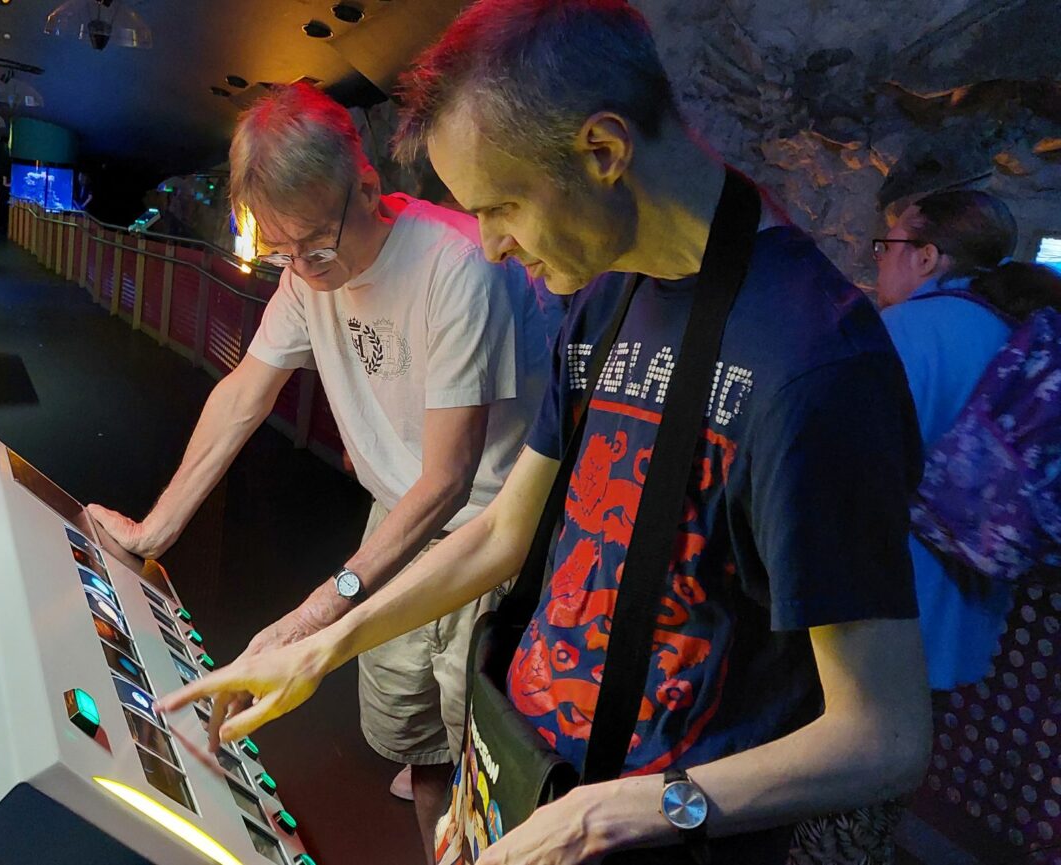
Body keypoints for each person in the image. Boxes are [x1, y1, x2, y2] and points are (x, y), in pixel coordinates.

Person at [162, 2, 931, 863]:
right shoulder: (605, 296)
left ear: (603, 151)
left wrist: (608, 816)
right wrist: (323, 646)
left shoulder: (816, 364)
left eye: (503, 206)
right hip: (532, 767)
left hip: (644, 827)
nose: (491, 246)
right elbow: (504, 531)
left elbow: (884, 734)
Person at [87, 82, 556, 857]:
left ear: (367, 188)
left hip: (488, 534)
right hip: (395, 516)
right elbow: (244, 393)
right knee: (415, 741)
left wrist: (318, 612)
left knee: (488, 769)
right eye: (283, 252)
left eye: (314, 246)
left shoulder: (456, 265)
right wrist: (155, 528)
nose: (301, 269)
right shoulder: (306, 274)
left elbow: (448, 477)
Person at [875, 189, 1060, 689]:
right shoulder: (1023, 337)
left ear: (926, 257)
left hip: (885, 625)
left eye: (887, 246)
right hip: (969, 634)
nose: (880, 260)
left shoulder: (898, 332)